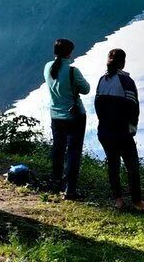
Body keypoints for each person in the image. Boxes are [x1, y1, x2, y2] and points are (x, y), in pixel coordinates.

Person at [95, 48, 144, 212]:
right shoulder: (126, 81)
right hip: (121, 132)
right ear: (123, 62)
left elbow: (97, 106)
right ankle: (137, 201)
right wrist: (132, 128)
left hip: (104, 131)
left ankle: (118, 200)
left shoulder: (102, 80)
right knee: (132, 166)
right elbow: (133, 107)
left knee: (113, 165)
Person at [45, 37, 90, 200]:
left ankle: (56, 182)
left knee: (58, 149)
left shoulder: (48, 67)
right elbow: (86, 89)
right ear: (69, 53)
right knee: (73, 152)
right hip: (74, 117)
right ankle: (70, 190)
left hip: (55, 115)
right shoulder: (73, 71)